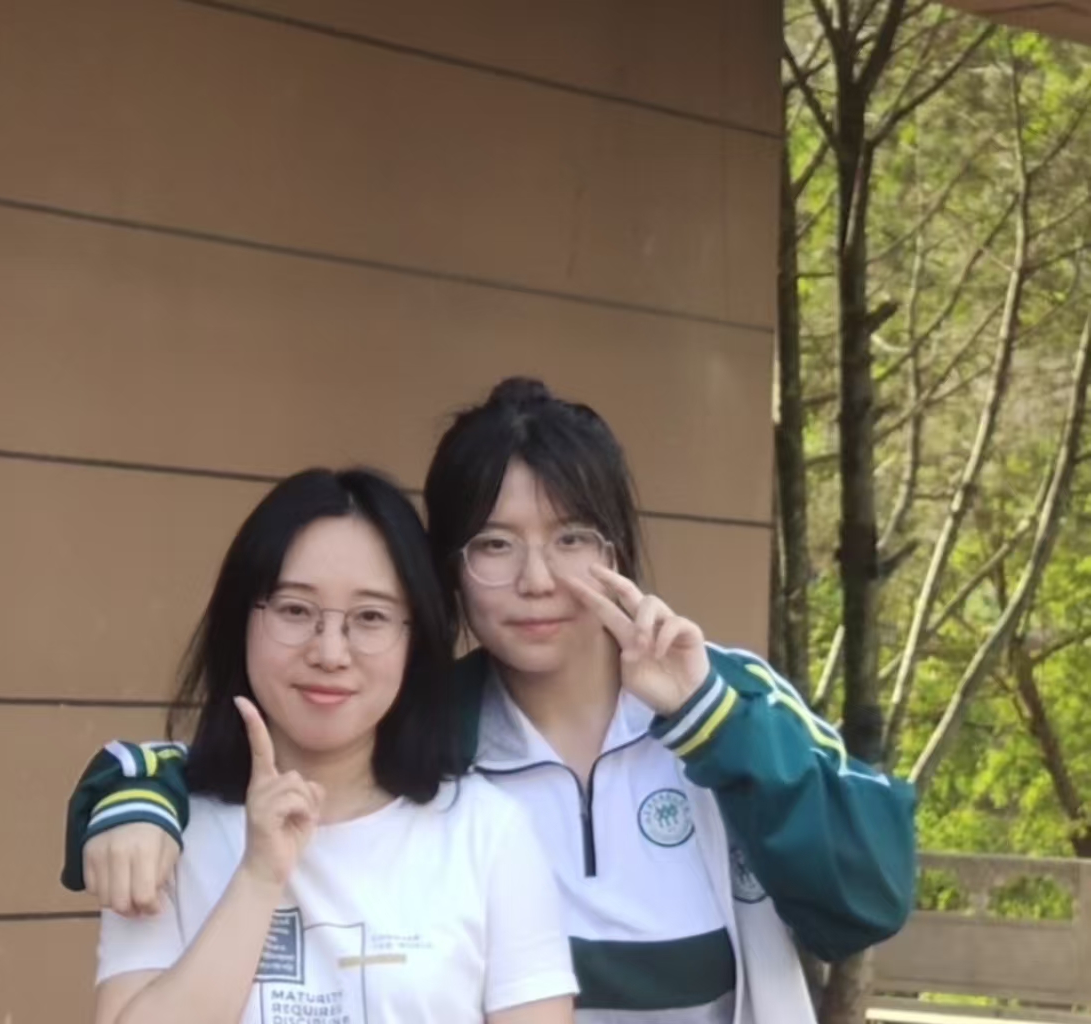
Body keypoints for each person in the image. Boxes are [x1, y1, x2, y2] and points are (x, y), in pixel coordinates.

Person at [68, 379, 917, 1024]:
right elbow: (268, 755)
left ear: (618, 551)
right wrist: (134, 791)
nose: (537, 580)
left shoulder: (719, 697)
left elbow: (869, 899)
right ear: (445, 573)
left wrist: (712, 723)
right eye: (494, 545)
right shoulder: (426, 724)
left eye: (572, 538)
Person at [90, 467, 578, 1024]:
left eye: (370, 617)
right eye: (295, 610)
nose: (330, 652)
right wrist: (258, 877)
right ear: (239, 619)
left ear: (415, 640)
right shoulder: (164, 831)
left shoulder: (488, 834)